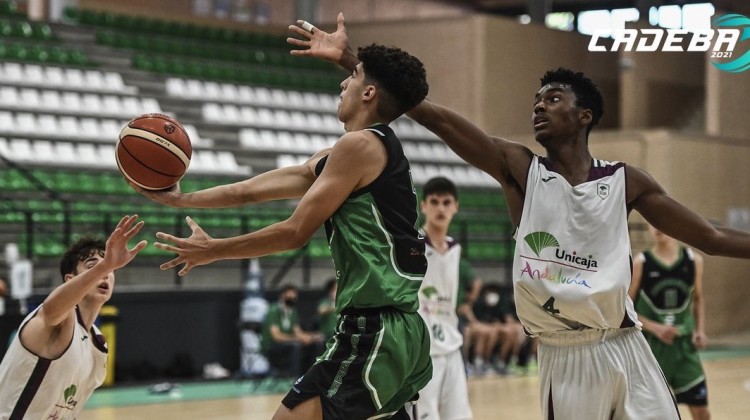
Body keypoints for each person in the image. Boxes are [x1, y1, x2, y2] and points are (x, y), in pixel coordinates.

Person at [292, 14, 750, 419]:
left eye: (552, 99)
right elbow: (440, 120)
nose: (537, 106)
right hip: (566, 357)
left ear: (584, 115)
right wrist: (352, 61)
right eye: (535, 100)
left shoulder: (626, 181)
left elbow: (709, 235)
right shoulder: (522, 171)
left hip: (627, 346)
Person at [129, 40, 432, 419]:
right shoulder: (348, 153)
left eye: (352, 76)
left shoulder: (360, 146)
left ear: (369, 92)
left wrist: (214, 249)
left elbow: (294, 231)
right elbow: (247, 191)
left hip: (375, 328)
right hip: (396, 328)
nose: (343, 85)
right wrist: (178, 200)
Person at [0, 215, 146, 419]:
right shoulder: (60, 317)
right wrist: (104, 265)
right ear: (70, 279)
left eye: (110, 268)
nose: (105, 273)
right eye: (93, 265)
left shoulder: (98, 344)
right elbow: (51, 310)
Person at [629, 225, 711, 420]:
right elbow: (626, 308)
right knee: (652, 414)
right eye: (652, 223)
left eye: (663, 223)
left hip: (684, 348)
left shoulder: (694, 260)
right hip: (652, 349)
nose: (657, 228)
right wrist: (654, 327)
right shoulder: (641, 262)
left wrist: (700, 330)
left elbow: (698, 299)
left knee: (701, 412)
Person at [417, 176, 474, 419]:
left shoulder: (456, 248)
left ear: (455, 207)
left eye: (446, 202)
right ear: (424, 206)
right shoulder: (412, 244)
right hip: (422, 350)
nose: (441, 208)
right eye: (434, 202)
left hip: (451, 344)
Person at [262, 284, 325, 378]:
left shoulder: (292, 312)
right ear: (282, 296)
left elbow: (298, 332)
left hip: (289, 343)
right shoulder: (273, 310)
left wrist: (311, 337)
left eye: (293, 297)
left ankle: (312, 376)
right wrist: (297, 339)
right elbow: (277, 337)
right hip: (272, 345)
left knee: (316, 344)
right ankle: (294, 377)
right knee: (296, 345)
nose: (291, 299)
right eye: (289, 296)